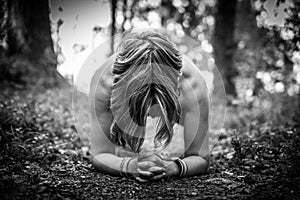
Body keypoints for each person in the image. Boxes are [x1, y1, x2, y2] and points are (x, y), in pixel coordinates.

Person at [89, 31, 209, 182]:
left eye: (157, 102)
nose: (150, 110)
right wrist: (130, 166)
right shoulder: (105, 83)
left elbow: (200, 159)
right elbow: (99, 154)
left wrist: (171, 167)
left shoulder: (192, 85)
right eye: (142, 103)